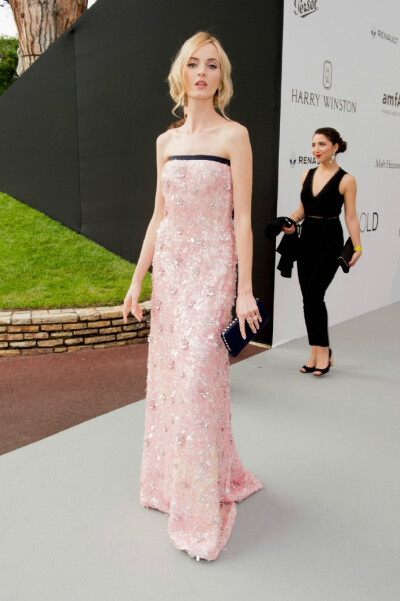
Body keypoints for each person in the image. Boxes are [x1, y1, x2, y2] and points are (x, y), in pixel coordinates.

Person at [123, 31, 262, 561]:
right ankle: (169, 483)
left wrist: (244, 288)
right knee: (174, 380)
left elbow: (244, 218)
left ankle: (201, 503)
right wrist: (138, 280)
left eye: (211, 65)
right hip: (175, 274)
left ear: (221, 78)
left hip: (212, 274)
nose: (202, 73)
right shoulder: (166, 142)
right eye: (193, 64)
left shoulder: (235, 136)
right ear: (182, 74)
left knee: (202, 377)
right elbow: (159, 216)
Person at [283, 127, 362, 376]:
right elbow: (301, 210)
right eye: (314, 144)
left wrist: (357, 246)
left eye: (322, 144)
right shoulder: (307, 174)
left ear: (335, 147)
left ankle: (324, 351)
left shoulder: (346, 179)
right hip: (307, 240)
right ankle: (316, 351)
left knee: (315, 295)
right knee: (308, 298)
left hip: (329, 241)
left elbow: (350, 216)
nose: (316, 149)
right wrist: (290, 221)